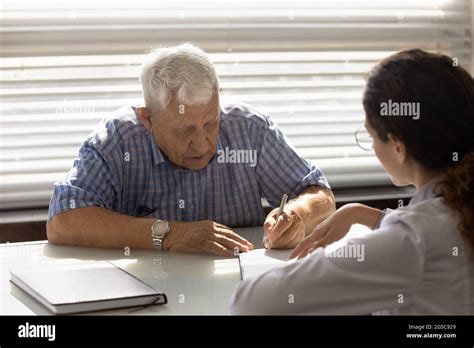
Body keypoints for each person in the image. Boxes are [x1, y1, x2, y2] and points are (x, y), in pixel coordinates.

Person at [230, 49, 474, 314]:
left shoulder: (413, 240)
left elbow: (251, 303)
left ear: (397, 146)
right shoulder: (453, 209)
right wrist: (361, 214)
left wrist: (323, 263)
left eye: (370, 135)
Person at [46, 43, 335, 256]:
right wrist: (168, 233)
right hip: (146, 292)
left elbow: (320, 195)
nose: (202, 144)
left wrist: (297, 215)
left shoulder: (249, 128)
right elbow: (62, 221)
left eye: (211, 123)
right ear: (148, 119)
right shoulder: (116, 140)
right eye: (184, 131)